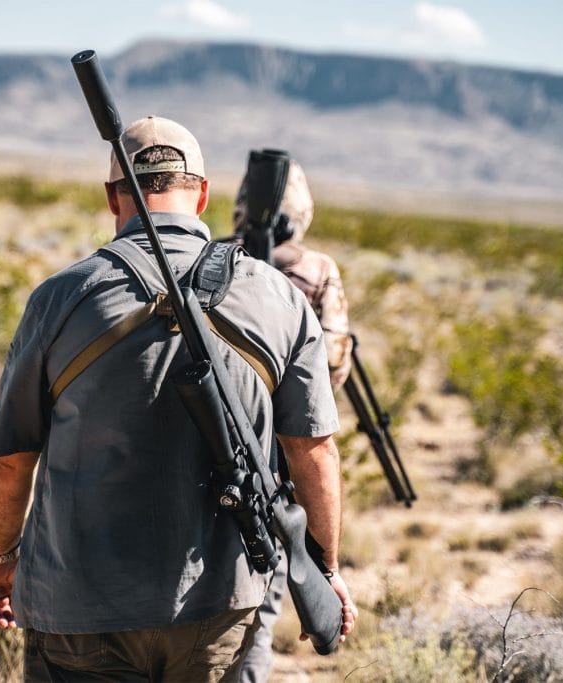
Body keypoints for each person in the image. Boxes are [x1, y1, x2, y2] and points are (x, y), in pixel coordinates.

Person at [0, 116, 356, 682]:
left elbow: (9, 460)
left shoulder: (59, 298)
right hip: (216, 610)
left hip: (77, 607)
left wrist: (1, 559)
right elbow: (314, 451)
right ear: (202, 195)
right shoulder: (279, 298)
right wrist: (325, 567)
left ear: (113, 198)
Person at [232, 158, 354, 683]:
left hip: (219, 448)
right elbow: (333, 370)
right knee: (261, 607)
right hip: (282, 466)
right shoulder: (316, 271)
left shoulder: (214, 260)